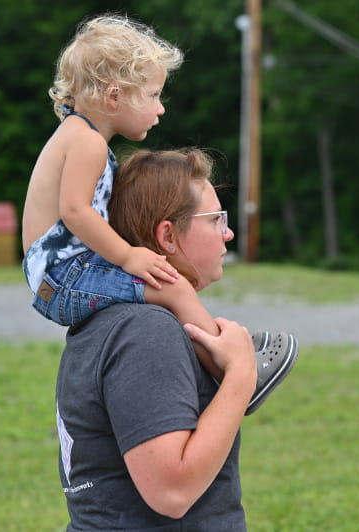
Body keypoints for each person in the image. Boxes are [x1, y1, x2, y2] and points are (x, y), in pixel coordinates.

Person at [21, 14, 296, 414]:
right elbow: (76, 212)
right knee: (174, 288)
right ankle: (238, 372)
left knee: (164, 286)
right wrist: (129, 256)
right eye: (152, 95)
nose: (160, 108)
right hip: (63, 276)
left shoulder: (78, 135)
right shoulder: (88, 143)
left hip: (60, 274)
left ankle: (221, 352)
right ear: (114, 96)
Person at [57, 147, 265, 530]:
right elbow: (171, 492)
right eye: (216, 219)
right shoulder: (145, 331)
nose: (228, 232)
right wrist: (241, 374)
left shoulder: (109, 323)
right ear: (167, 235)